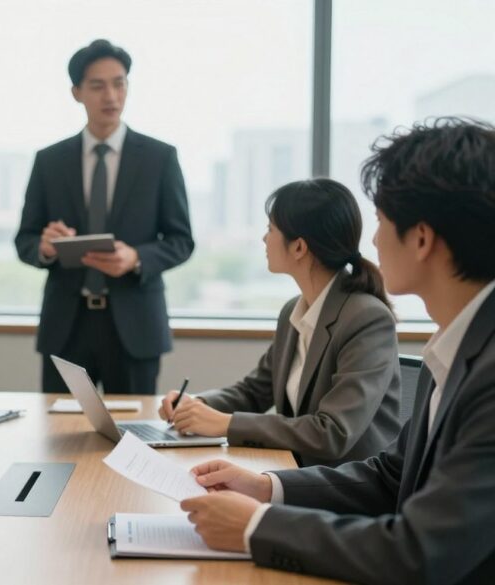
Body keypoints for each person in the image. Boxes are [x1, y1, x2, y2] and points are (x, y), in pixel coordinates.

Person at [180, 118, 495, 583]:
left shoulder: (486, 372)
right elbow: (391, 477)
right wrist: (266, 487)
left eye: (383, 222)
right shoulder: (453, 348)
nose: (372, 240)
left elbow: (418, 553)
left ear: (423, 239)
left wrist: (257, 526)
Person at [158, 178, 401, 467]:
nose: (264, 239)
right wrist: (198, 405)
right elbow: (254, 391)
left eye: (270, 229)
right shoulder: (293, 312)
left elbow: (333, 432)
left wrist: (226, 424)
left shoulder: (366, 318)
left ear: (298, 247)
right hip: (297, 470)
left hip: (348, 484)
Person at [15, 39, 194, 395]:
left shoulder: (160, 158)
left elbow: (181, 240)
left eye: (120, 83)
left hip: (134, 324)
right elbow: (25, 240)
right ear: (76, 92)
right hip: (67, 324)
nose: (110, 95)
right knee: (58, 436)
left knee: (133, 439)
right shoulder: (49, 161)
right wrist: (47, 247)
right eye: (97, 86)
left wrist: (137, 258)